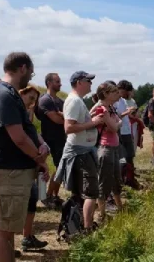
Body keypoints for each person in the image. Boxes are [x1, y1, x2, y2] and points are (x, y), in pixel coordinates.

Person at [0, 52, 50, 262]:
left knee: (9, 227)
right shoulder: (3, 95)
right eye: (31, 71)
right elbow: (18, 137)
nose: (31, 75)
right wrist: (39, 158)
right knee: (6, 230)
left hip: (14, 169)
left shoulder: (7, 93)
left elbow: (25, 132)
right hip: (10, 171)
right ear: (22, 68)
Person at [55, 71, 104, 233]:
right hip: (80, 154)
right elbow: (69, 128)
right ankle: (87, 228)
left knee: (81, 192)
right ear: (79, 82)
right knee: (91, 191)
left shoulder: (77, 101)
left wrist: (90, 120)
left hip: (82, 152)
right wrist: (93, 123)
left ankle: (77, 226)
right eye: (88, 80)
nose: (91, 83)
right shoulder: (74, 101)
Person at [18, 86, 48, 251]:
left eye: (34, 101)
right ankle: (7, 247)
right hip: (18, 166)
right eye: (30, 98)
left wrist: (42, 145)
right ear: (20, 94)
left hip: (30, 164)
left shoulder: (24, 115)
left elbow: (32, 133)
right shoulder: (13, 114)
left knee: (31, 200)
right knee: (19, 206)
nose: (32, 103)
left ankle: (27, 237)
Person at [92, 83, 123, 222]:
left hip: (113, 148)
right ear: (105, 94)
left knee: (116, 178)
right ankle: (101, 214)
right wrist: (117, 123)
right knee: (104, 182)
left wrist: (117, 123)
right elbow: (114, 127)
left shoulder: (110, 108)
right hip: (105, 149)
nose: (118, 94)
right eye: (114, 92)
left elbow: (116, 123)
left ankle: (120, 207)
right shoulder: (101, 109)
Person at [35, 73, 66, 209]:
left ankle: (53, 195)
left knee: (61, 168)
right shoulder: (45, 100)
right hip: (48, 139)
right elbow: (58, 119)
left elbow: (67, 118)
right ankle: (45, 196)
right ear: (49, 83)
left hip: (60, 138)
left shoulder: (60, 101)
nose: (60, 84)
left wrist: (65, 117)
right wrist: (65, 117)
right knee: (43, 168)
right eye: (57, 81)